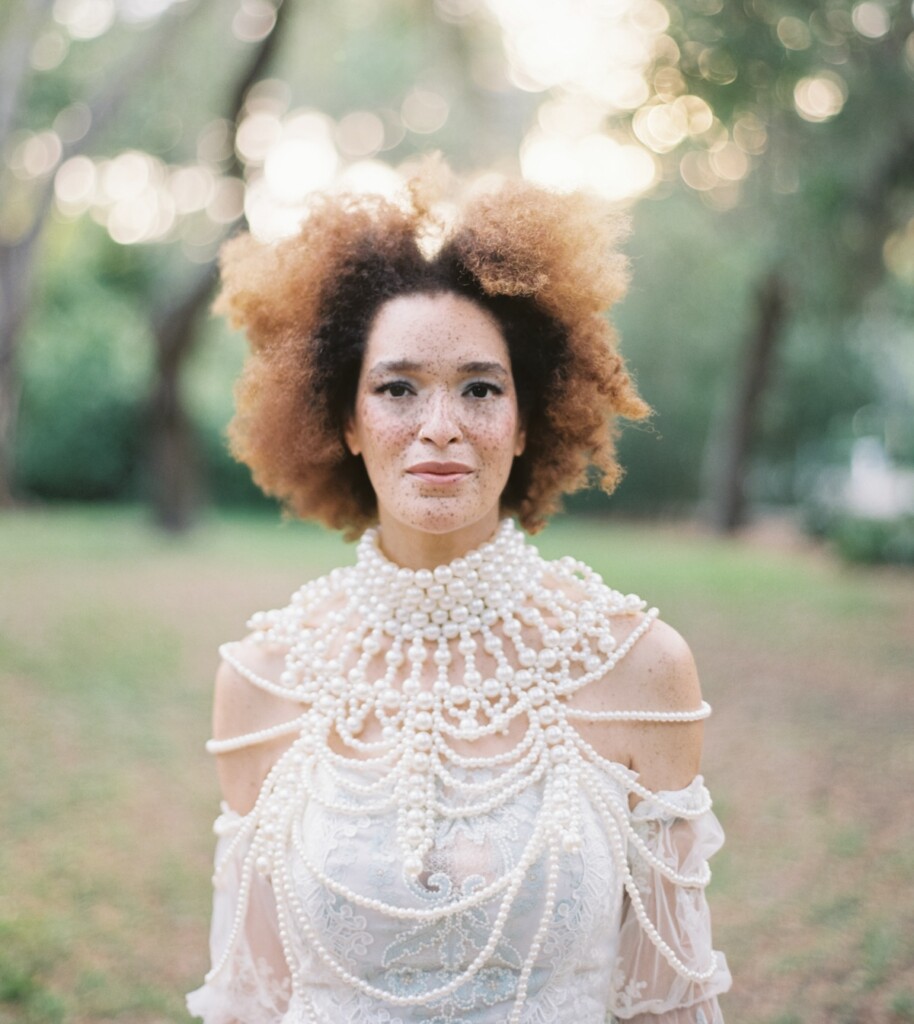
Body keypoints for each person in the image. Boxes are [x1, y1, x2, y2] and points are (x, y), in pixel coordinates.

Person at [187, 163, 732, 1024]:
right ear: (345, 420)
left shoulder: (644, 670)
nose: (439, 426)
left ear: (525, 424)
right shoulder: (262, 681)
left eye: (480, 388)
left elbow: (667, 1003)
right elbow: (253, 1001)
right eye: (397, 388)